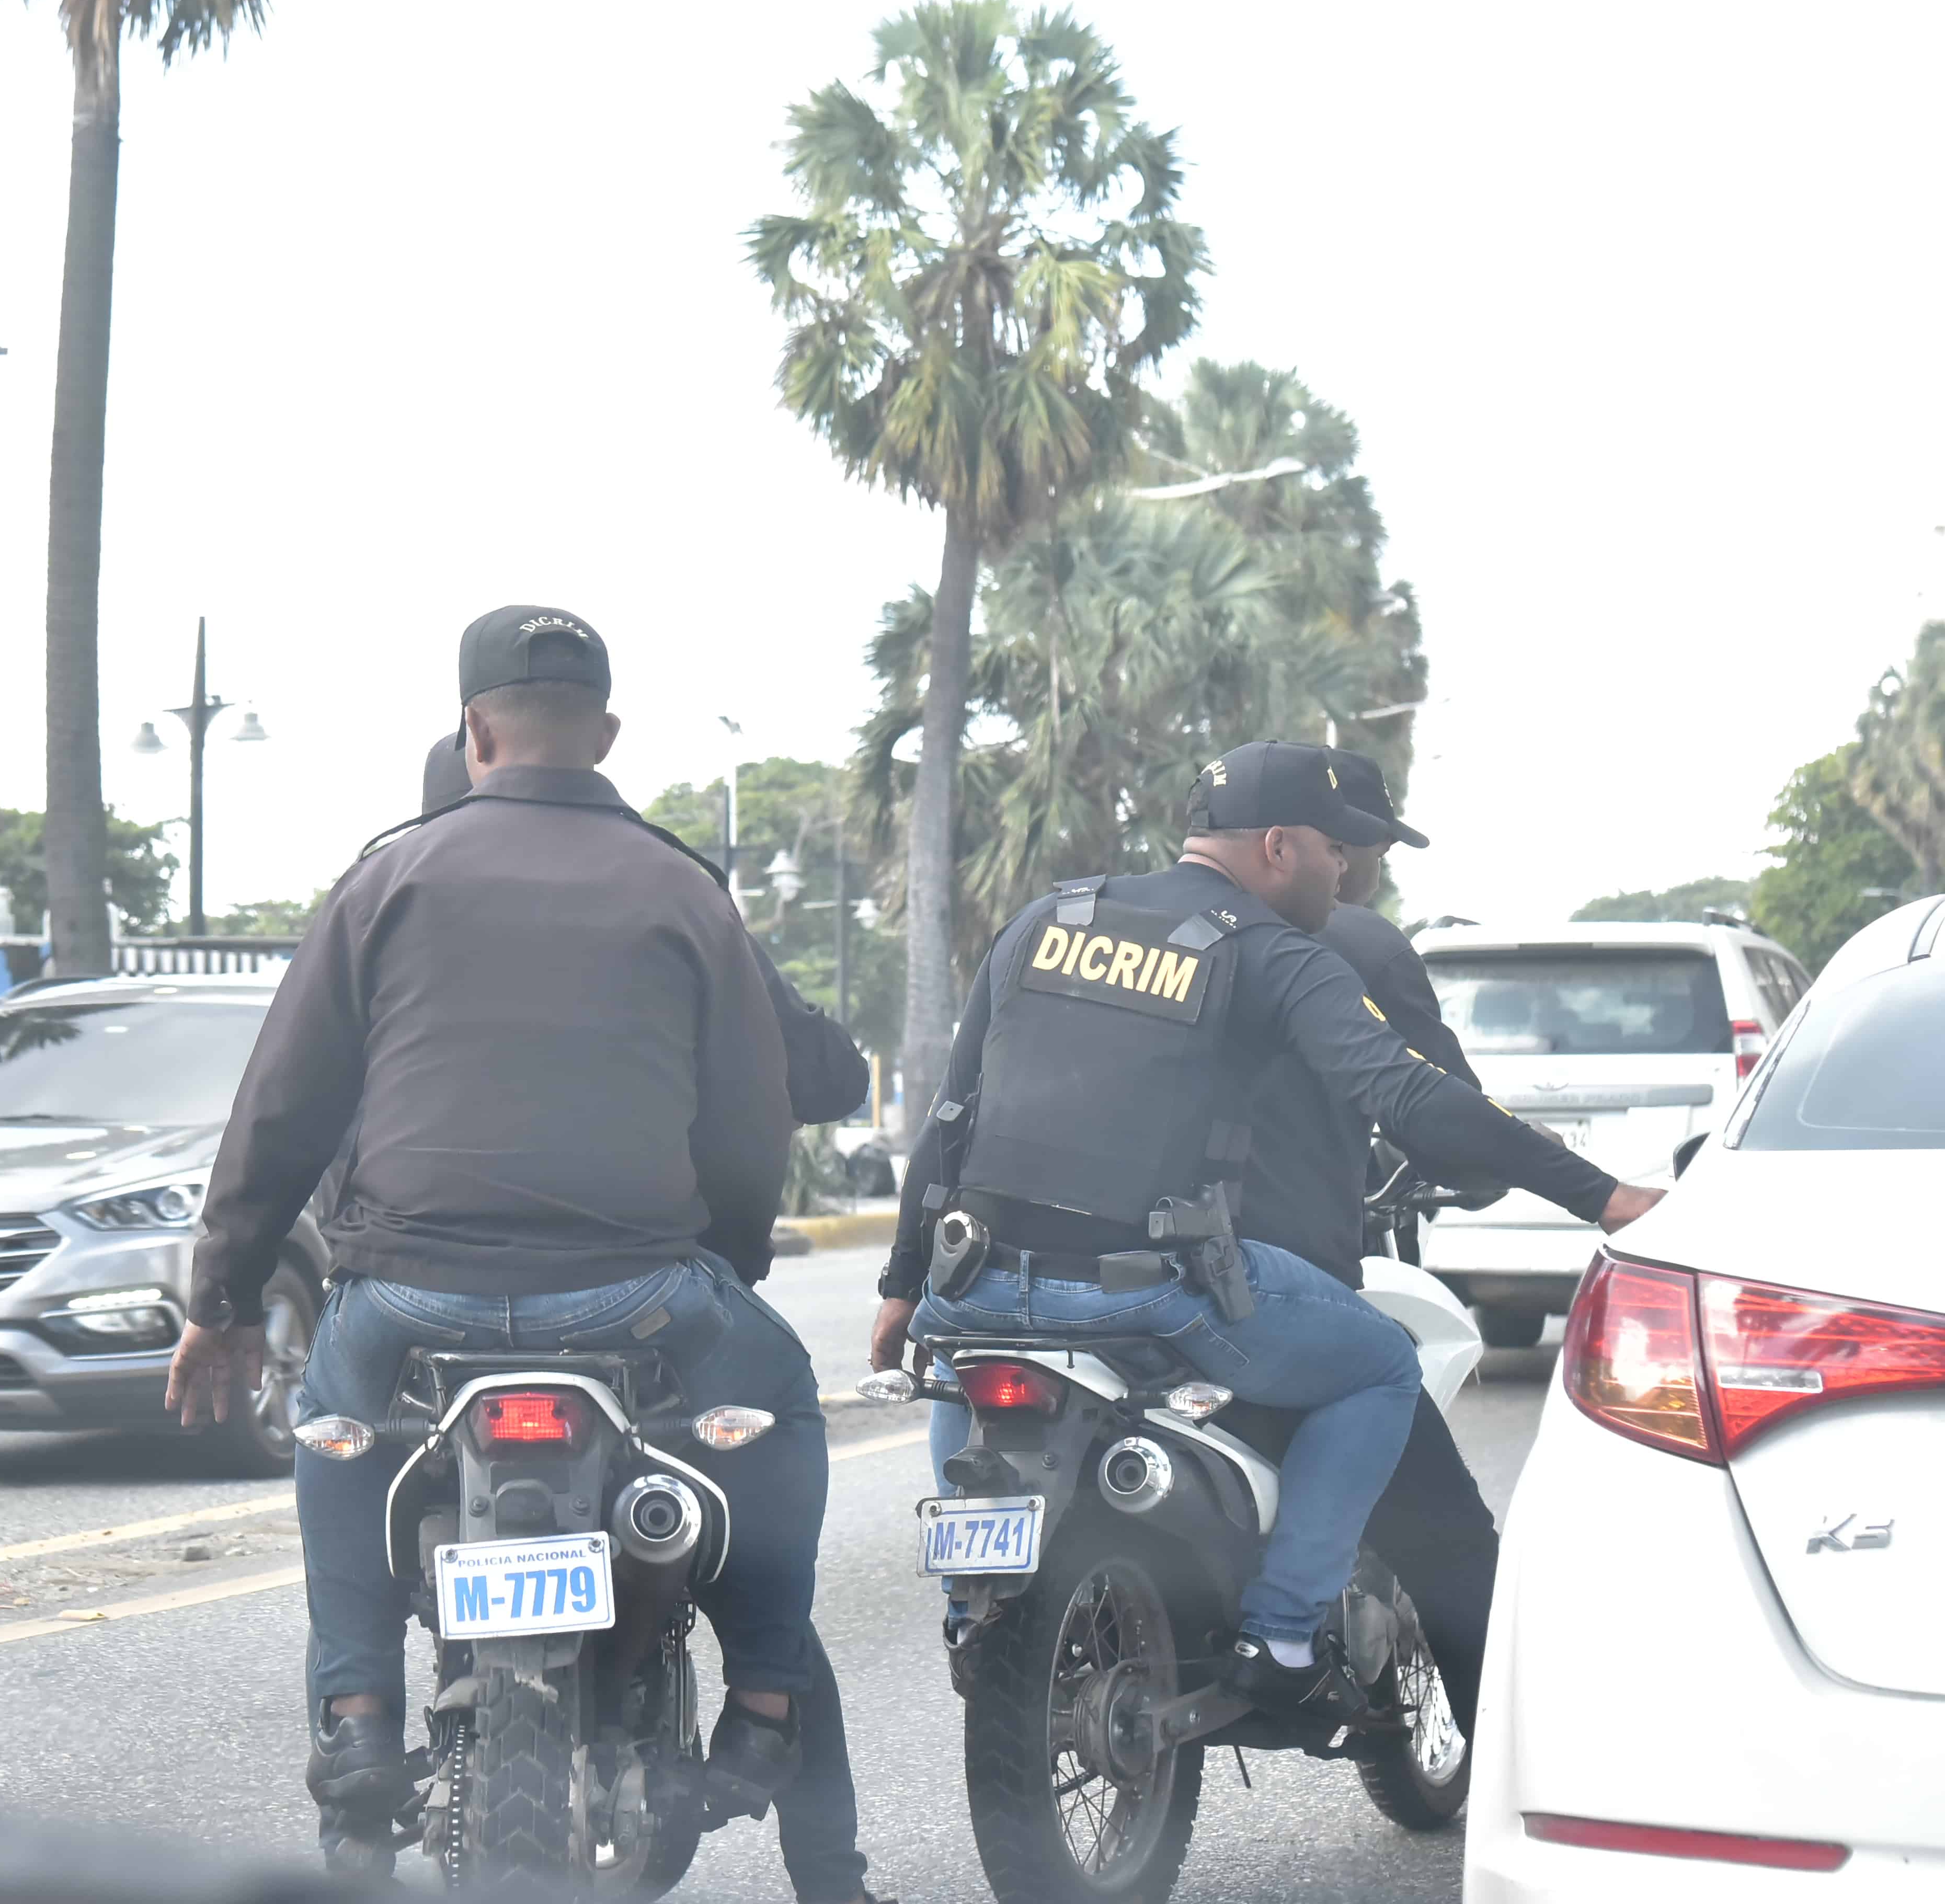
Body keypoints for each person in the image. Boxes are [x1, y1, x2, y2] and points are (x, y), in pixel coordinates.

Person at [169, 606, 828, 1866]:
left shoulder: (385, 876)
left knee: (337, 1437)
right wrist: (720, 1271)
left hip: (412, 1294)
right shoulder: (685, 885)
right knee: (781, 1405)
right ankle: (762, 1701)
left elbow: (282, 1110)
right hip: (631, 1294)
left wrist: (223, 1301)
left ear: (472, 730)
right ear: (608, 734)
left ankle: (358, 1718)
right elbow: (751, 1119)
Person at [866, 738, 1664, 1712]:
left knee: (960, 1357)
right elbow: (1408, 1094)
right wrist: (1603, 1196)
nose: (1346, 873)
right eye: (1335, 850)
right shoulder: (1270, 951)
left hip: (978, 1278)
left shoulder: (1046, 919)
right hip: (1147, 1289)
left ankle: (970, 1605)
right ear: (1281, 847)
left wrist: (905, 1283)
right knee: (1378, 1366)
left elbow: (953, 1117)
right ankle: (1285, 1636)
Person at [415, 725, 885, 1904]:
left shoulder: (391, 907)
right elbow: (825, 1076)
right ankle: (828, 1876)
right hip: (638, 1314)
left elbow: (300, 1129)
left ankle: (358, 1738)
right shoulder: (664, 902)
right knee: (751, 1566)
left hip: (422, 1328)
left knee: (362, 1526)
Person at [1230, 745, 1508, 1733]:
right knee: (1450, 1536)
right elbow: (1437, 1104)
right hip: (1286, 1282)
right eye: (1376, 848)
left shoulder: (1155, 932)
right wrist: (1494, 1166)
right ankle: (1522, 1785)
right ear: (1334, 856)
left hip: (1118, 1267)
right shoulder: (1360, 944)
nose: (1375, 870)